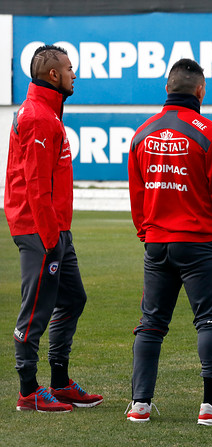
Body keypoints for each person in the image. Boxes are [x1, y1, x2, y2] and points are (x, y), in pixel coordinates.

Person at [126, 58, 212, 425]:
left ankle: (139, 405)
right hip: (200, 243)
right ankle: (211, 406)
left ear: (166, 88)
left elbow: (138, 193)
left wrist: (147, 234)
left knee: (150, 323)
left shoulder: (142, 133)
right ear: (201, 90)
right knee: (210, 321)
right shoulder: (210, 132)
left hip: (157, 243)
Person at [5, 45, 103, 412]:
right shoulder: (38, 119)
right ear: (53, 75)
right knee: (34, 312)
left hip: (56, 230)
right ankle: (28, 391)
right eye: (69, 68)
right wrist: (50, 240)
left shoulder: (47, 114)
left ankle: (60, 383)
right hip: (40, 232)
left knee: (73, 299)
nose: (73, 73)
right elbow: (35, 186)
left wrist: (59, 235)